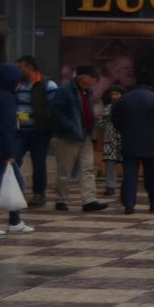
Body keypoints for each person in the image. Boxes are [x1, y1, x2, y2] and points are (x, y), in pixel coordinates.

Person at [0, 63, 37, 236]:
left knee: (16, 182)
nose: (20, 85)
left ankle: (15, 221)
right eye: (18, 81)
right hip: (2, 150)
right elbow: (6, 128)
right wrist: (10, 153)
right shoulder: (7, 98)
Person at [47, 64, 109, 214]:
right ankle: (61, 199)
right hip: (68, 137)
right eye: (93, 78)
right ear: (84, 77)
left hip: (86, 136)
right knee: (65, 171)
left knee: (88, 168)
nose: (95, 81)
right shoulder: (65, 91)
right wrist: (69, 127)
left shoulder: (88, 91)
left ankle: (89, 200)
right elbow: (55, 111)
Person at [109, 78, 154, 214]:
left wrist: (124, 130)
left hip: (129, 142)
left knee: (129, 174)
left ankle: (129, 204)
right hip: (152, 142)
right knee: (151, 174)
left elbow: (115, 121)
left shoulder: (123, 100)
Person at [13, 56, 54, 202]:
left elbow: (54, 107)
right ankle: (14, 189)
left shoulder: (46, 84)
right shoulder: (18, 84)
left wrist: (49, 126)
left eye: (20, 67)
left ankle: (39, 194)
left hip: (39, 132)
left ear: (29, 67)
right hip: (20, 131)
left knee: (38, 163)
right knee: (14, 159)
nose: (18, 70)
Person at [96, 87, 123, 195]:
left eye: (117, 94)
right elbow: (100, 124)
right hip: (110, 140)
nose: (114, 97)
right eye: (113, 94)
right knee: (110, 164)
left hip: (123, 139)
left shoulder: (126, 107)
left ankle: (127, 186)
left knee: (128, 164)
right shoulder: (107, 108)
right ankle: (110, 186)